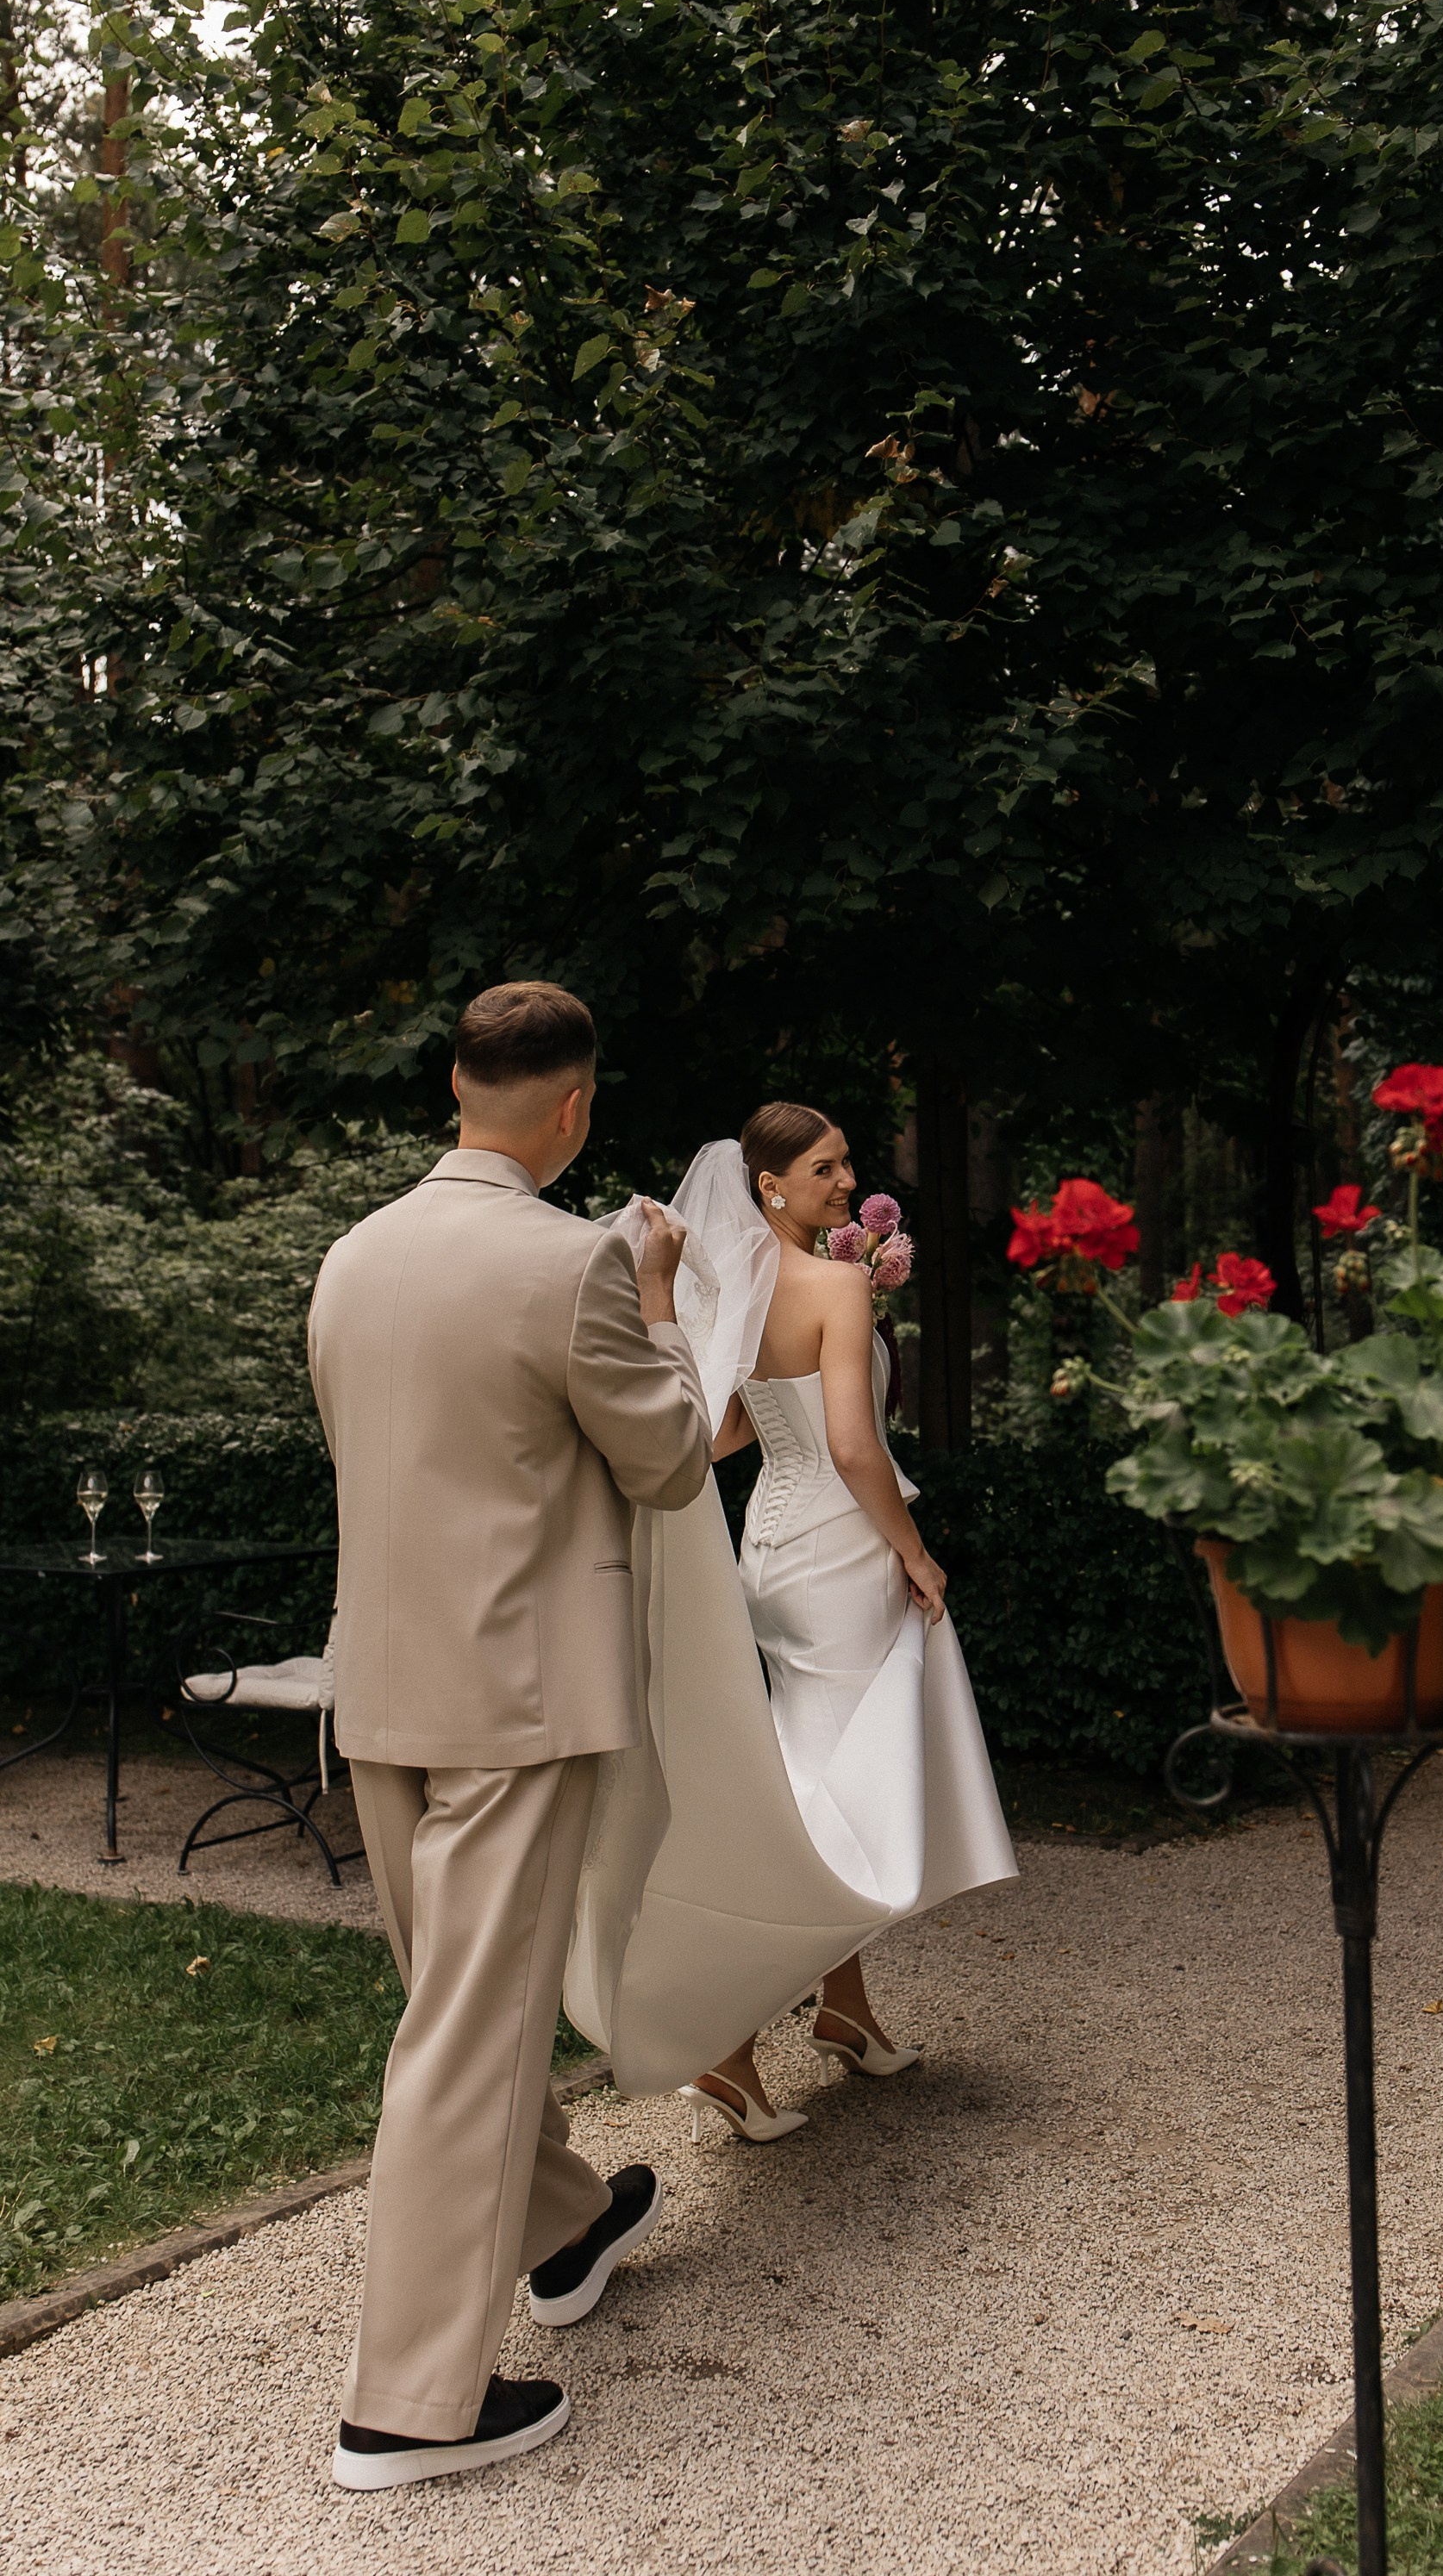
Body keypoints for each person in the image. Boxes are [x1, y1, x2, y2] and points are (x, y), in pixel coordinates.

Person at [307, 982, 711, 2490]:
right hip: (516, 1705)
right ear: (574, 1111)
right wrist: (659, 1298)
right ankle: (406, 2409)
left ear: (456, 1086)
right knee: (468, 2043)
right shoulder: (576, 1266)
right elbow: (668, 1463)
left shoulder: (350, 1260)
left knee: (454, 2008)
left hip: (385, 1691)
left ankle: (563, 2228)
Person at [561, 1107, 1015, 2138]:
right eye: (824, 1166)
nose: (848, 1180)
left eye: (847, 1161)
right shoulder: (837, 1285)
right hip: (840, 1551)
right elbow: (855, 1448)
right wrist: (913, 1550)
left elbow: (719, 1433)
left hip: (769, 1547)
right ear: (766, 1185)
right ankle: (724, 2047)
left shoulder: (740, 1291)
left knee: (819, 1776)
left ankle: (845, 2011)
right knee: (830, 1804)